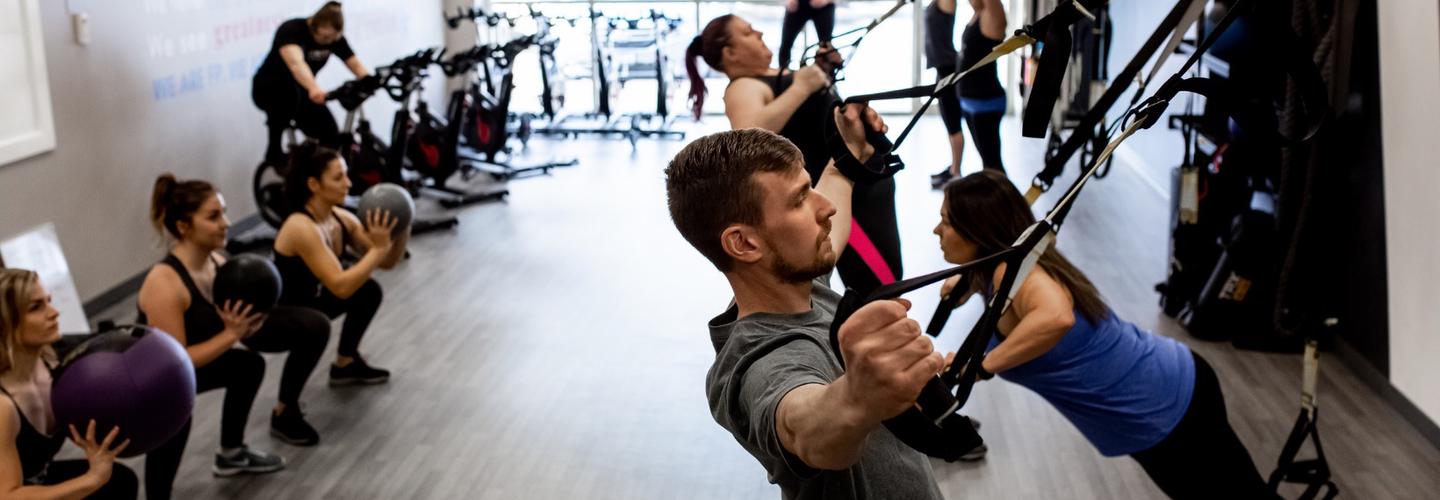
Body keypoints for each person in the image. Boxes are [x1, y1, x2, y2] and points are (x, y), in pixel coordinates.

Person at [934, 171, 1276, 499]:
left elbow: (1057, 317)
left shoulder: (1017, 274)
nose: (937, 230)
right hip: (1169, 390)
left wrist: (982, 366)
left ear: (976, 231)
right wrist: (970, 281)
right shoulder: (1010, 266)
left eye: (946, 222)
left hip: (1165, 406)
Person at [666, 104, 947, 499]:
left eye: (810, 187)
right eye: (799, 200)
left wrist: (849, 152)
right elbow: (806, 431)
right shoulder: (759, 364)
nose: (825, 207)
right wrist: (857, 399)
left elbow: (835, 190)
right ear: (744, 243)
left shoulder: (802, 284)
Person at [137, 175, 336, 496]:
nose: (226, 223)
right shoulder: (164, 282)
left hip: (190, 364)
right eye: (213, 216)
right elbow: (175, 362)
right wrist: (232, 335)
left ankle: (231, 454)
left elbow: (229, 325)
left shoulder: (217, 262)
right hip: (153, 381)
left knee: (249, 365)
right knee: (178, 406)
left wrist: (251, 323)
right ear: (184, 227)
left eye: (224, 213)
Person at [685, 14, 902, 297]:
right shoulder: (742, 86)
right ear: (730, 54)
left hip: (866, 182)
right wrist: (803, 86)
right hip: (846, 195)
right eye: (748, 32)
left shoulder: (778, 75)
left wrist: (821, 70)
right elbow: (749, 137)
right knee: (879, 283)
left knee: (887, 276)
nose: (760, 33)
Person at [273, 141, 407, 385]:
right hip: (280, 317)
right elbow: (341, 287)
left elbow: (387, 262)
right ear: (314, 185)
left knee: (368, 290)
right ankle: (284, 406)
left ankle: (345, 364)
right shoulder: (300, 227)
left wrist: (402, 225)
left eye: (346, 175)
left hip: (313, 302)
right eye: (339, 178)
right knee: (316, 326)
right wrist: (379, 248)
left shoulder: (341, 218)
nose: (349, 183)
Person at [0, 268, 138, 499]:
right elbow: (7, 495)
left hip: (36, 478)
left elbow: (107, 340)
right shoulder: (3, 406)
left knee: (120, 482)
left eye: (48, 301)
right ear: (4, 324)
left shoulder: (54, 361)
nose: (54, 313)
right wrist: (91, 480)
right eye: (35, 307)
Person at [251, 2, 370, 165]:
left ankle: (319, 169)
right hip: (269, 89)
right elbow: (296, 65)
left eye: (333, 39)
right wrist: (314, 88)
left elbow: (353, 63)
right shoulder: (291, 30)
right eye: (325, 38)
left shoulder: (333, 38)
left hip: (302, 90)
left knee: (330, 133)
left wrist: (369, 80)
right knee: (286, 95)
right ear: (314, 25)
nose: (328, 42)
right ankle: (274, 152)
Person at [931, 0, 1008, 188]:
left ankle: (1005, 201)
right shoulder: (977, 14)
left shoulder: (991, 14)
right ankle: (996, 197)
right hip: (971, 102)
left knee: (992, 163)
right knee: (987, 162)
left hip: (986, 102)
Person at [777, 0, 836, 73]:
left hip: (823, 6)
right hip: (797, 5)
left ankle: (827, 75)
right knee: (786, 44)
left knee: (826, 45)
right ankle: (782, 74)